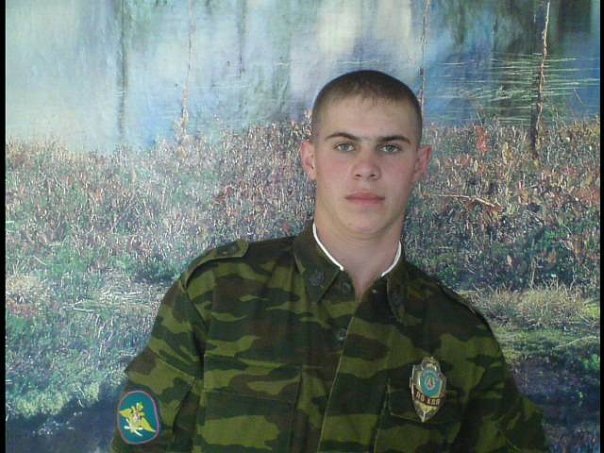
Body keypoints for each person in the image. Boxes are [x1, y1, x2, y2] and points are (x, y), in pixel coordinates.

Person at [111, 70, 548, 452]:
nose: (366, 168)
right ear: (311, 160)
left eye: (390, 148)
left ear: (419, 164)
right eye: (344, 146)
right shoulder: (218, 294)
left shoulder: (460, 338)